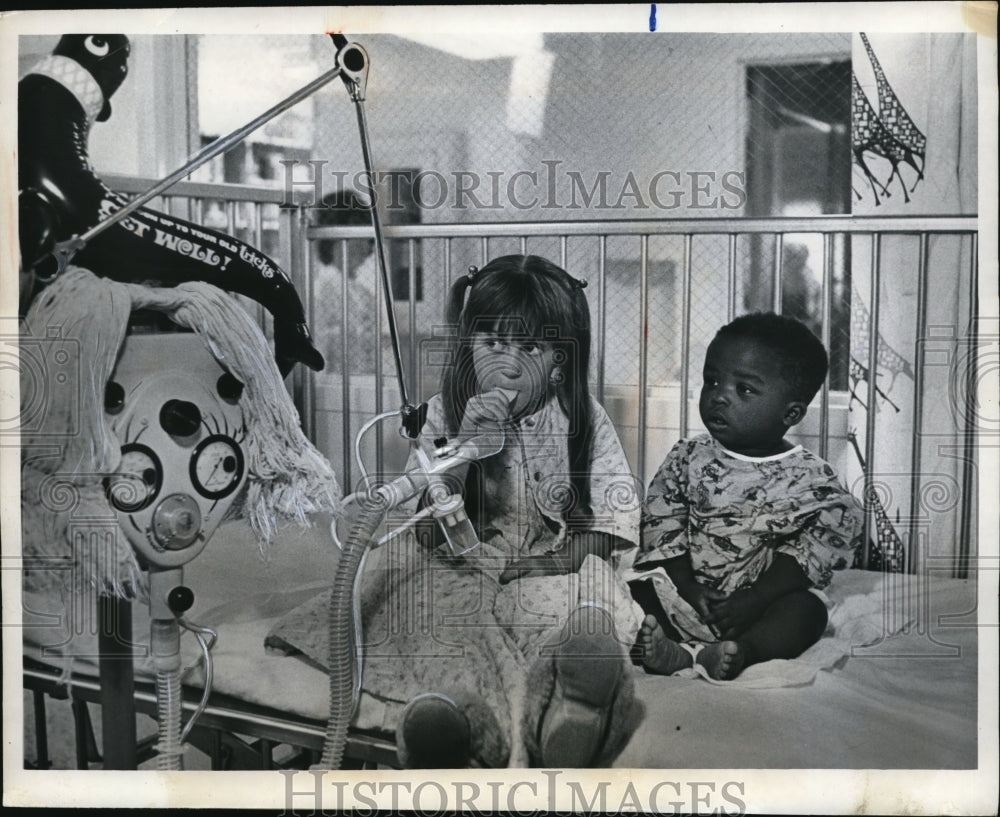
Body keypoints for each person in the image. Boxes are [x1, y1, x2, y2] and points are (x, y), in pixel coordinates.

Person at [268, 254, 643, 767]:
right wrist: (464, 450)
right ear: (469, 347)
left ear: (560, 362)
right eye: (493, 344)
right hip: (461, 563)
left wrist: (551, 563)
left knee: (588, 598)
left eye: (530, 347)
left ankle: (567, 703)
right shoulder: (446, 411)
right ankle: (465, 717)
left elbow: (609, 527)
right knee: (427, 606)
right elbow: (427, 530)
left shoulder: (584, 419)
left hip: (553, 563)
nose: (508, 365)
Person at [627, 312, 863, 681]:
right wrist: (685, 586)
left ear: (791, 413)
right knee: (630, 590)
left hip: (757, 609)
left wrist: (756, 598)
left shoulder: (811, 479)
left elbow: (826, 542)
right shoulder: (687, 457)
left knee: (809, 611)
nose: (719, 396)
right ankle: (670, 651)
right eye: (712, 380)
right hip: (683, 594)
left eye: (744, 389)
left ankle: (742, 652)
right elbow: (661, 522)